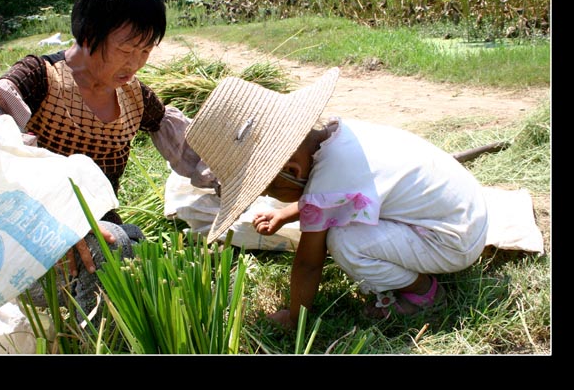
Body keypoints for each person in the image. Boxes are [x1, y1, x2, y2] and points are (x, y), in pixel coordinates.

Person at [0, 0, 217, 314]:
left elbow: (189, 148)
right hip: (30, 240)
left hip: (95, 236)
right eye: (126, 49)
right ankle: (89, 341)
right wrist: (55, 216)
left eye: (145, 51)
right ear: (91, 33)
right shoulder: (40, 78)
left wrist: (228, 177)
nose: (135, 63)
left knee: (136, 245)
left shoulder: (134, 97)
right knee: (117, 245)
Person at [184, 66, 491, 327]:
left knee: (344, 242)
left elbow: (309, 261)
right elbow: (337, 196)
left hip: (452, 242)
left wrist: (295, 316)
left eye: (269, 189)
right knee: (345, 228)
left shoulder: (329, 178)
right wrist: (289, 212)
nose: (270, 197)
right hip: (466, 214)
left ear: (292, 168)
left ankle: (423, 292)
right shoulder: (336, 135)